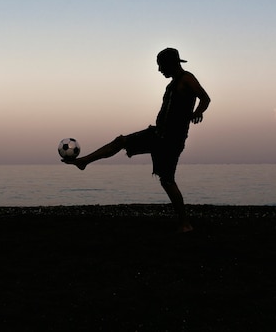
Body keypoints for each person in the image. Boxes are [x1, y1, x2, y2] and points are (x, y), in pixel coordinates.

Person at [63, 47, 210, 233]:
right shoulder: (172, 84)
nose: (159, 70)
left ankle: (185, 224)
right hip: (157, 134)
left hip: (170, 140)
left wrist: (198, 112)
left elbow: (205, 98)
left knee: (167, 180)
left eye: (161, 66)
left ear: (171, 64)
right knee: (121, 141)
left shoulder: (187, 78)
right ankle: (84, 161)